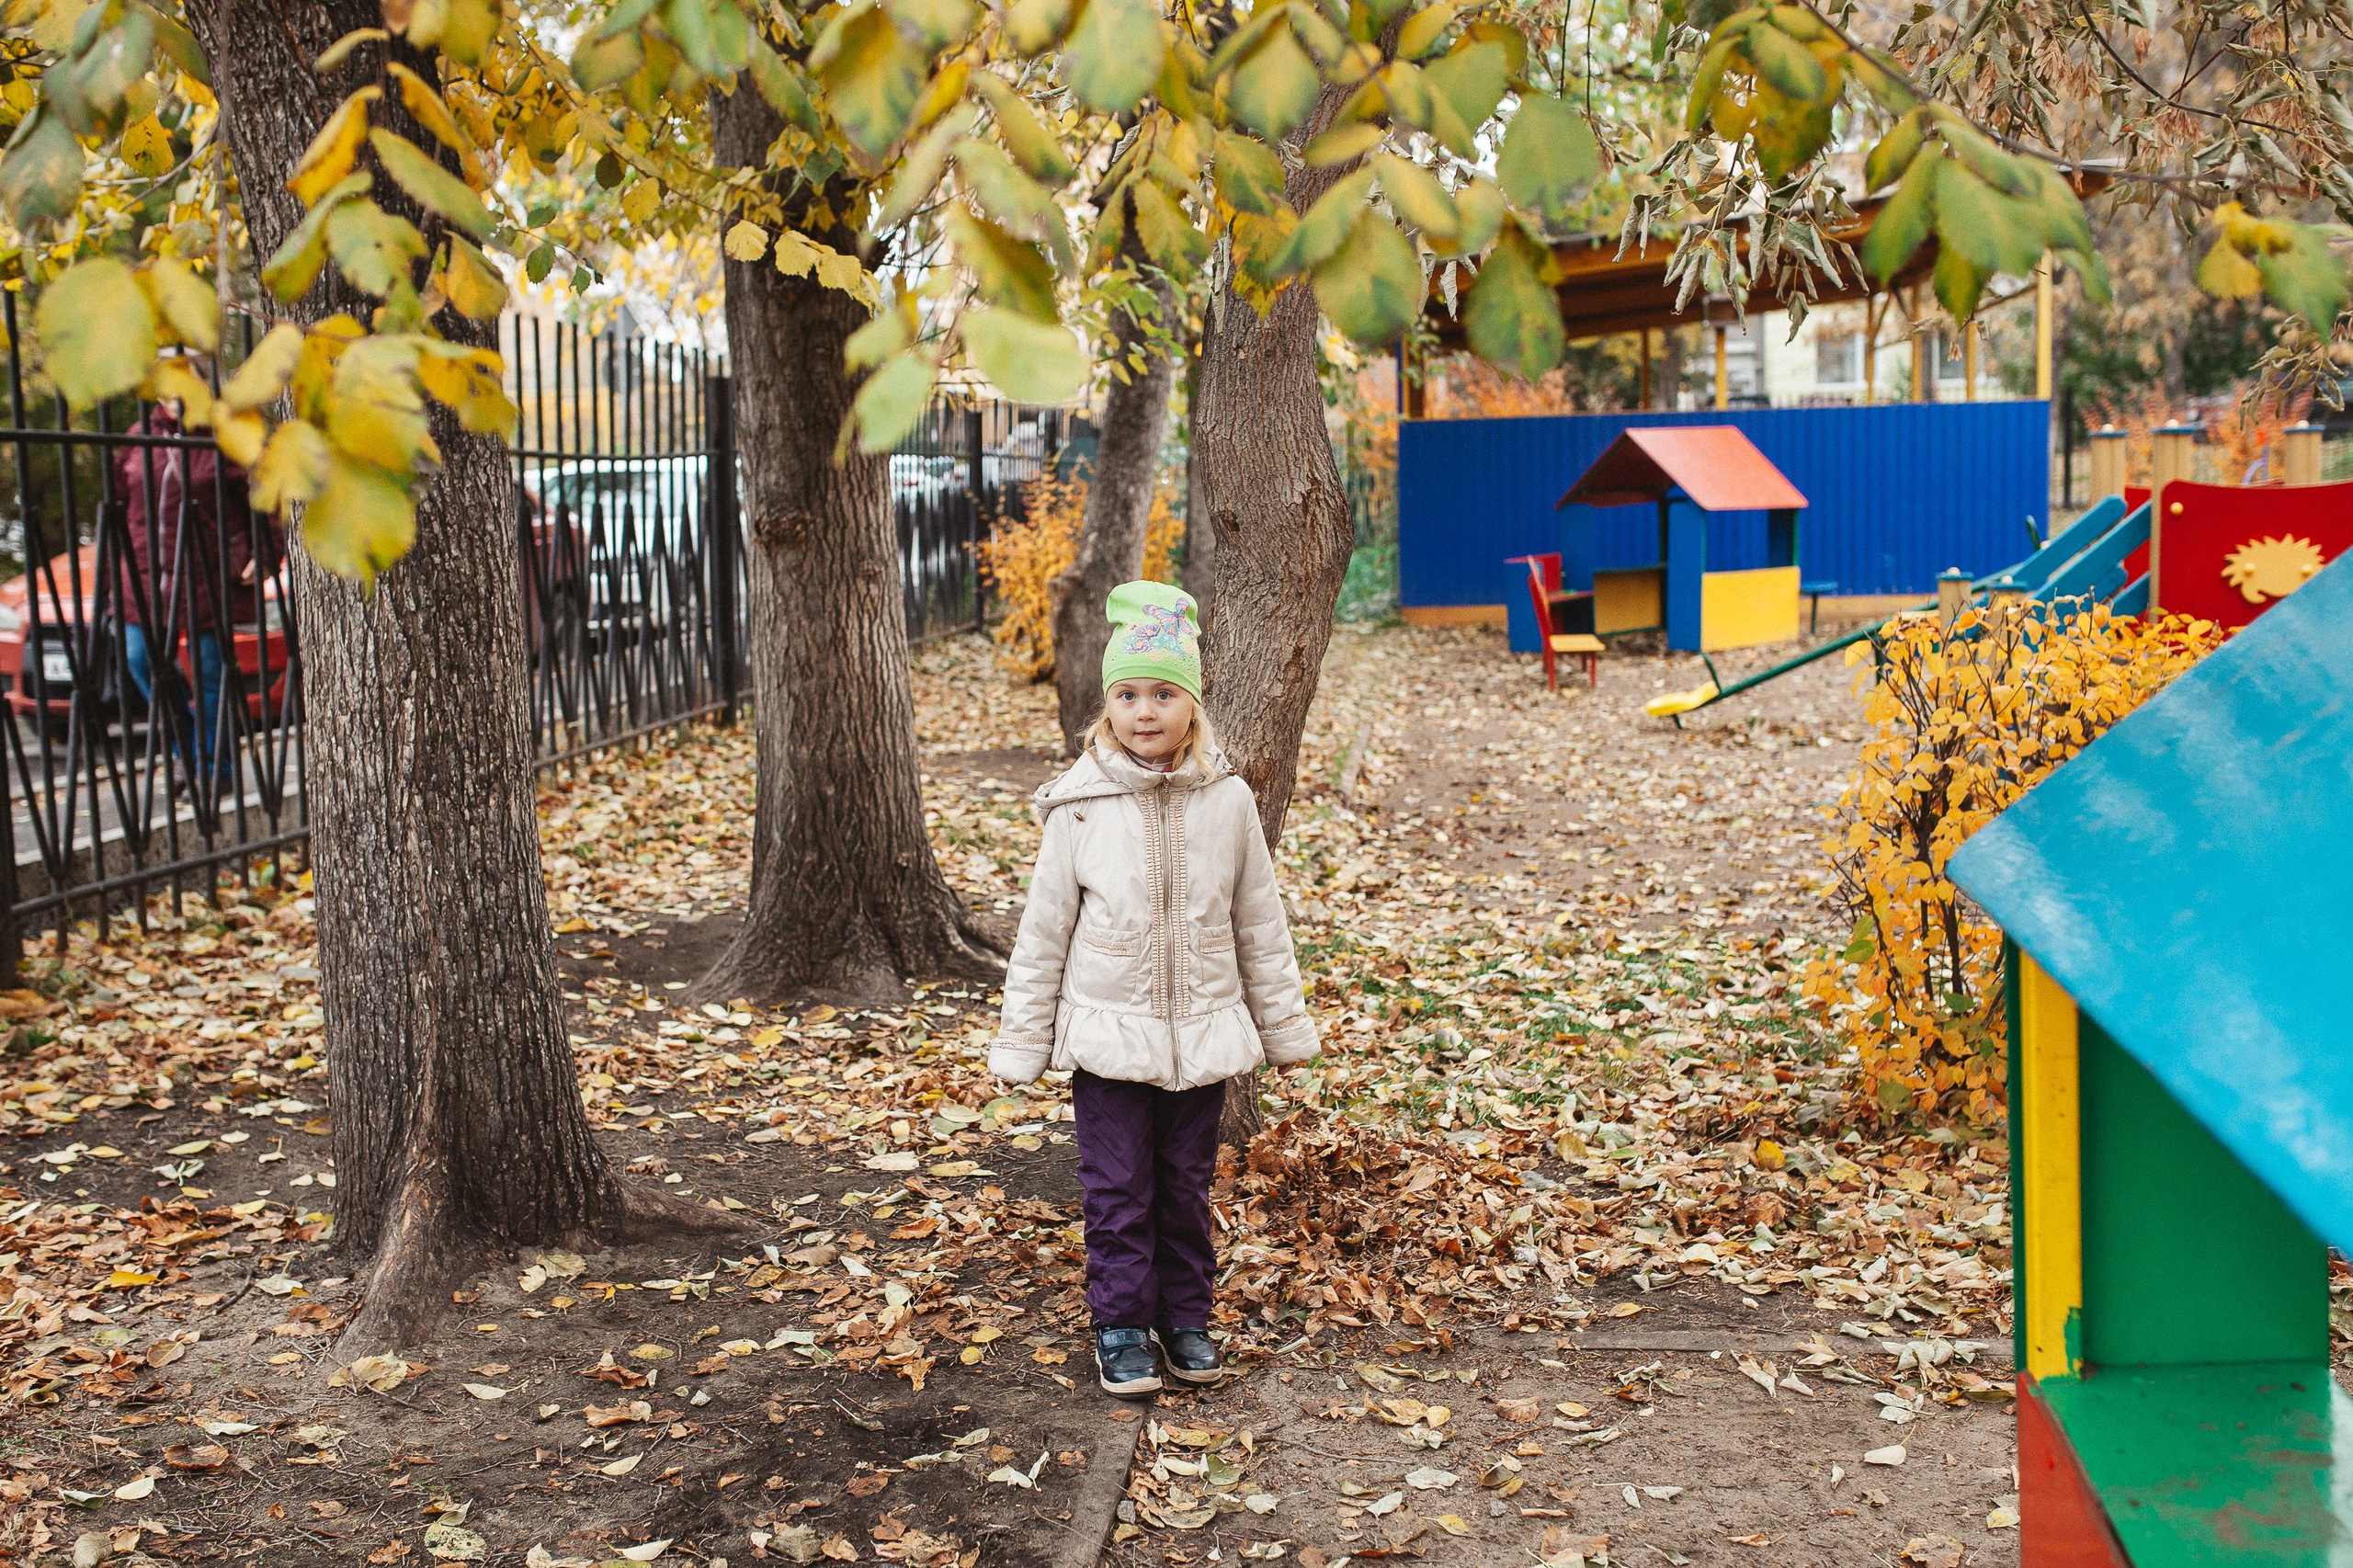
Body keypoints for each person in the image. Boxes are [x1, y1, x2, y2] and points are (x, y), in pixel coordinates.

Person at [989, 581, 1320, 1397]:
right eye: (1129, 694)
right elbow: (1042, 934)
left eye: (1164, 694)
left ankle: (1185, 1319)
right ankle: (1121, 1324)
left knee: (1183, 1185)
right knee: (1116, 1189)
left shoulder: (1228, 802)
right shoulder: (1078, 808)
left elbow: (1259, 923)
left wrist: (1284, 1029)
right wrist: (1023, 1042)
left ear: (1192, 706)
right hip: (1107, 1040)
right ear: (1107, 708)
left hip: (1202, 1036)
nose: (1146, 711)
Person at [114, 396, 274, 789]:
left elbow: (263, 496)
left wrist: (265, 551)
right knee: (140, 660)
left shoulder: (224, 435)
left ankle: (215, 772)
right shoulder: (140, 436)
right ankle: (186, 752)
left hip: (206, 573)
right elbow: (117, 502)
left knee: (209, 676)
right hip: (145, 577)